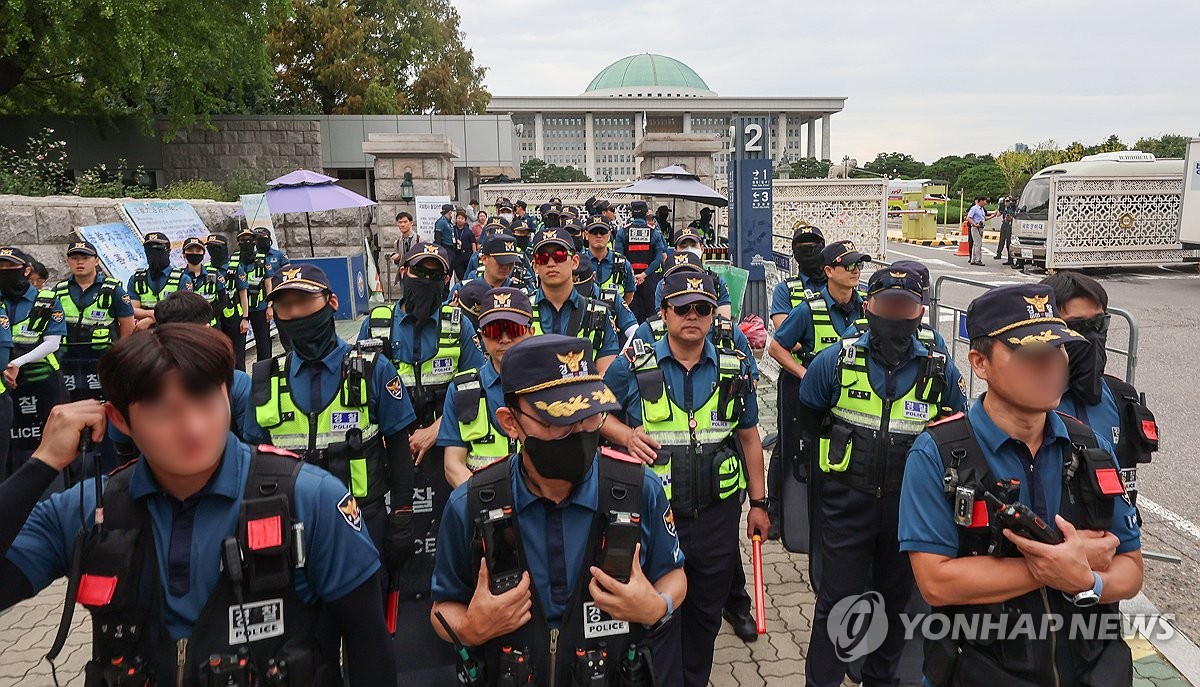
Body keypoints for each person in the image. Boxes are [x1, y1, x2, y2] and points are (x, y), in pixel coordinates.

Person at [0, 324, 396, 684]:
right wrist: (42, 465)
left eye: (205, 401)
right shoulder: (88, 510)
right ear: (120, 419)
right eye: (163, 413)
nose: (192, 428)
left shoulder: (311, 499)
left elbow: (367, 642)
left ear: (228, 392)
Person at [900, 283, 1143, 686]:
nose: (1051, 364)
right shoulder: (938, 455)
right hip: (979, 671)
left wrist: (1088, 582)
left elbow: (1130, 570)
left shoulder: (1090, 448)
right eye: (1030, 352)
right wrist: (1060, 567)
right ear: (979, 362)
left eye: (1059, 348)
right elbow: (936, 582)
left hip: (1090, 669)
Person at [431, 334, 687, 685]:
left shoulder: (639, 491)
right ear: (511, 422)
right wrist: (470, 629)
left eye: (589, 415)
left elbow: (674, 575)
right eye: (559, 420)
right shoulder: (471, 505)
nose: (580, 431)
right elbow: (442, 608)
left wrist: (657, 607)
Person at [800, 267, 967, 687]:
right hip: (846, 504)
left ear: (920, 311)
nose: (895, 313)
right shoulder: (834, 362)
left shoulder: (939, 371)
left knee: (895, 605)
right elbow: (810, 414)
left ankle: (878, 680)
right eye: (887, 304)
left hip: (908, 513)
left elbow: (956, 434)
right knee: (838, 603)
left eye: (904, 306)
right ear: (869, 306)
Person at [601, 271, 765, 686]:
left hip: (716, 518)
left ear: (713, 314)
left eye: (703, 308)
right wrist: (626, 434)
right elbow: (594, 413)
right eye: (682, 308)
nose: (692, 316)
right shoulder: (634, 364)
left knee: (705, 616)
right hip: (654, 517)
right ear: (664, 312)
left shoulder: (734, 367)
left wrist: (760, 506)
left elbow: (749, 439)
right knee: (658, 616)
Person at [1044, 271, 1158, 510]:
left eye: (1099, 323)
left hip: (1114, 541)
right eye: (1077, 327)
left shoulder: (1123, 399)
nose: (1093, 336)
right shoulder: (1030, 403)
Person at [438, 287, 534, 487]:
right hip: (481, 508)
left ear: (531, 332)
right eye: (494, 330)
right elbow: (453, 464)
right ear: (481, 335)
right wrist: (485, 502)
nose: (504, 338)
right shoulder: (461, 389)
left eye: (514, 329)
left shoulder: (549, 386)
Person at [0, 247, 68, 481]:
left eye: (11, 268)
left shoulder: (47, 300)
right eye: (1, 268)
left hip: (42, 381)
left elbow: (52, 343)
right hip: (5, 385)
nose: (5, 272)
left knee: (43, 443)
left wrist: (17, 362)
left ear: (27, 271)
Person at [528, 228, 621, 372]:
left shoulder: (599, 314)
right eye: (543, 258)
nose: (551, 263)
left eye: (559, 255)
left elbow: (606, 374)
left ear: (575, 261)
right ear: (535, 266)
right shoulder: (522, 310)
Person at [53, 240, 135, 402]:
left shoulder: (113, 290)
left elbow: (127, 326)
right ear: (68, 261)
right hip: (67, 360)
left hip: (103, 361)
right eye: (74, 258)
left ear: (96, 261)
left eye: (85, 257)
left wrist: (119, 358)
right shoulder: (59, 291)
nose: (80, 262)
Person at [653, 229, 734, 319]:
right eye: (683, 246)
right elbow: (663, 319)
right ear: (676, 251)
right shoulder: (664, 284)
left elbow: (723, 321)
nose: (689, 250)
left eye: (693, 245)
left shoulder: (715, 282)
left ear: (702, 249)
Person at [616, 201, 670, 323]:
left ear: (631, 213)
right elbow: (659, 259)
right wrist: (644, 275)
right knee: (651, 317)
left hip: (629, 281)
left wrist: (632, 276)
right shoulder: (654, 232)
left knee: (628, 316)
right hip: (649, 280)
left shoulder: (622, 232)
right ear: (646, 213)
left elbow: (620, 258)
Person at [206, 233, 251, 370]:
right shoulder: (208, 269)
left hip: (235, 317)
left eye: (216, 248)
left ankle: (240, 385)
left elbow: (243, 293)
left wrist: (245, 318)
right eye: (210, 248)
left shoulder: (235, 268)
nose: (213, 251)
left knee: (237, 355)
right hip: (216, 318)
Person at [127, 231, 192, 324]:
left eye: (158, 249)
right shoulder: (136, 280)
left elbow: (183, 311)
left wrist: (152, 319)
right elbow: (133, 309)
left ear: (169, 251)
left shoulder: (182, 279)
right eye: (149, 250)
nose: (154, 254)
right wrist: (151, 314)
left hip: (172, 332)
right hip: (144, 334)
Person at [769, 224, 827, 324]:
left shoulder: (838, 283)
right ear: (795, 253)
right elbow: (783, 335)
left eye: (813, 248)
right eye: (803, 249)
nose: (809, 253)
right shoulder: (784, 290)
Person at [235, 228, 274, 361]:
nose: (246, 242)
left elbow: (268, 283)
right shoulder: (233, 261)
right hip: (239, 310)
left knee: (263, 342)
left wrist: (270, 305)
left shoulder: (262, 259)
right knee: (238, 346)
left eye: (250, 240)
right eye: (243, 240)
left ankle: (264, 372)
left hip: (260, 307)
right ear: (238, 243)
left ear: (255, 242)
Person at [584, 219, 635, 307]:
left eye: (603, 232)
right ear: (586, 235)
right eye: (594, 232)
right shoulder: (579, 263)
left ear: (609, 235)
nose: (599, 235)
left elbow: (629, 293)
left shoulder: (623, 263)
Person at [179, 236, 224, 328]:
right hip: (188, 326)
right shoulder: (179, 276)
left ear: (203, 253)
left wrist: (206, 318)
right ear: (184, 254)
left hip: (211, 325)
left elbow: (223, 301)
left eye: (198, 251)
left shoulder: (214, 274)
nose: (194, 253)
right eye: (190, 251)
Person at [966, 195, 996, 266]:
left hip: (981, 227)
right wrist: (975, 224)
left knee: (975, 244)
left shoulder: (981, 209)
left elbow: (983, 218)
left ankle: (973, 259)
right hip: (976, 228)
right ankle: (978, 260)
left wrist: (992, 216)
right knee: (978, 244)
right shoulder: (974, 208)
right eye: (985, 201)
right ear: (981, 201)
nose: (986, 203)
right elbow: (969, 218)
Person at [452, 208, 477, 281]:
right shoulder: (452, 229)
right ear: (456, 219)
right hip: (457, 255)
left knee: (467, 274)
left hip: (467, 255)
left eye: (462, 218)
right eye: (458, 218)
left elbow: (473, 243)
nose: (460, 220)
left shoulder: (468, 231)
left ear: (465, 220)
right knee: (459, 274)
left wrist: (474, 254)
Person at [995, 196, 1017, 264]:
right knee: (1002, 239)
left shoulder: (1014, 208)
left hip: (1011, 224)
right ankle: (999, 253)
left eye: (1009, 201)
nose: (1008, 203)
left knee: (1009, 242)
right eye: (1006, 201)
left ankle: (1010, 259)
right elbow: (998, 214)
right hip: (1005, 223)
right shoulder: (1004, 208)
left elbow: (1016, 215)